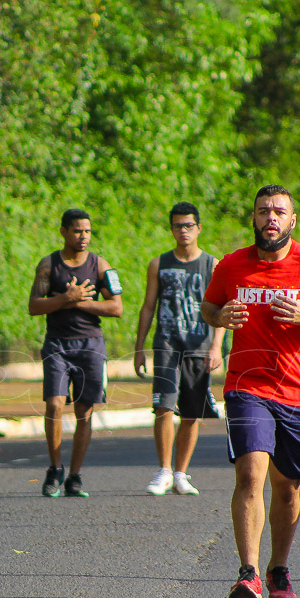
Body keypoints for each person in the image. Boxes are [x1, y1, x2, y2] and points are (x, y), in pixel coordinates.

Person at [200, 185, 300, 598]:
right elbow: (209, 307)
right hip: (246, 385)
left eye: (279, 211)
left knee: (287, 487)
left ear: (292, 220)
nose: (270, 218)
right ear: (252, 218)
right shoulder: (232, 266)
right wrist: (222, 316)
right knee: (250, 474)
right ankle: (248, 573)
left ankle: (278, 568)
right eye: (262, 211)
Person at [28, 208, 122, 498]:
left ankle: (75, 476)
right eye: (77, 231)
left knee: (84, 412)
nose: (83, 237)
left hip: (90, 345)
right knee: (54, 405)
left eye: (88, 231)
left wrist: (78, 303)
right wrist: (65, 298)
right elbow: (34, 306)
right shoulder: (49, 265)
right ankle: (55, 468)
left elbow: (116, 308)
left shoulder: (101, 265)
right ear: (64, 232)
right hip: (57, 344)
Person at [134, 201, 224, 496]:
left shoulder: (212, 265)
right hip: (167, 344)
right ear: (171, 229)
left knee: (191, 413)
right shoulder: (159, 264)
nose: (183, 231)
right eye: (177, 226)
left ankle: (181, 473)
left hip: (198, 345)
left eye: (188, 226)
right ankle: (163, 470)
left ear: (198, 228)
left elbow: (221, 308)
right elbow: (148, 307)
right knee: (163, 407)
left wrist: (216, 347)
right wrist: (139, 348)